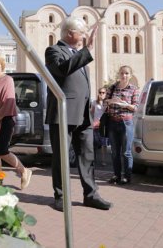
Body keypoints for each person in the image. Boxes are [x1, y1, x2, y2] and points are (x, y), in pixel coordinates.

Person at [45, 16, 111, 211]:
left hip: (83, 114)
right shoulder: (54, 51)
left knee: (87, 156)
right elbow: (62, 69)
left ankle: (91, 195)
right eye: (81, 33)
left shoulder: (78, 54)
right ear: (70, 33)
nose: (84, 36)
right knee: (61, 157)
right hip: (63, 114)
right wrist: (87, 50)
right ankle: (61, 196)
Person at [0, 53, 32, 190]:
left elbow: (8, 104)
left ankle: (23, 170)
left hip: (5, 119)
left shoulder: (7, 80)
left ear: (2, 65)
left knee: (1, 150)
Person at [104, 65, 140, 185]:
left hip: (126, 122)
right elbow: (105, 101)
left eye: (126, 73)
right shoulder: (112, 87)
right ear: (119, 74)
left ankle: (127, 176)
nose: (124, 75)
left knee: (126, 152)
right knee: (114, 152)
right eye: (122, 73)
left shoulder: (134, 89)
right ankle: (116, 175)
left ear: (130, 75)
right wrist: (111, 101)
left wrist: (124, 105)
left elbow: (135, 107)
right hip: (113, 122)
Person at [91, 87, 109, 166]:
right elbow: (92, 112)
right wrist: (91, 122)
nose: (101, 94)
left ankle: (103, 160)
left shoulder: (107, 103)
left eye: (103, 92)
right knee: (94, 142)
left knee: (103, 144)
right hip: (95, 124)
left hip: (104, 125)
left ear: (106, 93)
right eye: (100, 92)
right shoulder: (95, 102)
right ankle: (93, 159)